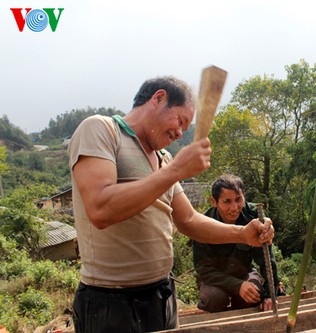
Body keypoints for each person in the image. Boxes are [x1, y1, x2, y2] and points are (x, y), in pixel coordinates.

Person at [68, 76, 274, 333]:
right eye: (180, 121)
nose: (179, 133)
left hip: (161, 295)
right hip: (111, 301)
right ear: (159, 98)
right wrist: (176, 170)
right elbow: (100, 208)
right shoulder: (102, 130)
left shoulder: (163, 159)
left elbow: (188, 220)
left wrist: (243, 234)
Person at [192, 174, 279, 312]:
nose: (234, 208)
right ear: (214, 202)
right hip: (214, 281)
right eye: (227, 201)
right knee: (215, 298)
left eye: (238, 200)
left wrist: (270, 295)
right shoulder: (203, 224)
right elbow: (204, 271)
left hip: (244, 273)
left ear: (244, 195)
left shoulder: (254, 216)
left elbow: (267, 259)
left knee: (254, 295)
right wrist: (237, 286)